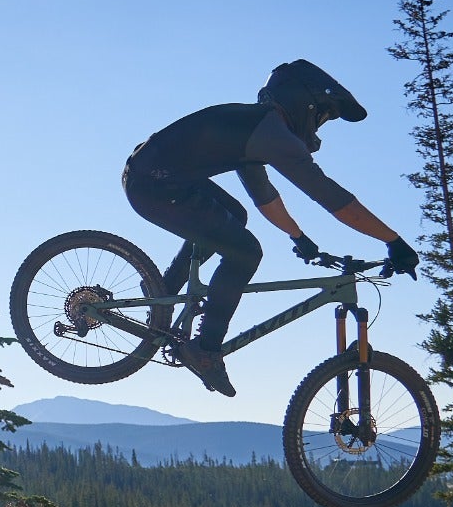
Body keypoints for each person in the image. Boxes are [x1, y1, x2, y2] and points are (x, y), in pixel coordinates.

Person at [121, 59, 416, 398]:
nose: (318, 129)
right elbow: (332, 198)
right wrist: (394, 241)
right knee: (245, 253)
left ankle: (164, 291)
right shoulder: (270, 134)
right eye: (322, 117)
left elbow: (265, 199)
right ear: (305, 105)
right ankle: (205, 349)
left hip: (154, 177)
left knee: (235, 216)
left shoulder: (255, 128)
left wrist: (299, 237)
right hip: (156, 184)